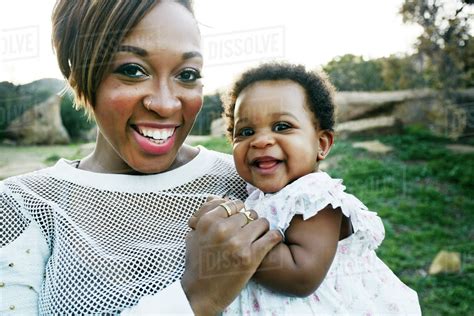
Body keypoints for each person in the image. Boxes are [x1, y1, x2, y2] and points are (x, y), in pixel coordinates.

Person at [0, 1, 281, 314]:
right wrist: (195, 298)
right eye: (132, 70)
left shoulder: (253, 181)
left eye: (187, 74)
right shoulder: (23, 204)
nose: (165, 104)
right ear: (77, 75)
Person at [217, 62, 422, 315]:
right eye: (245, 131)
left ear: (321, 144)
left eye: (282, 126)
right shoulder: (255, 196)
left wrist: (228, 244)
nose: (260, 141)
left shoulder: (315, 198)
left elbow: (301, 276)